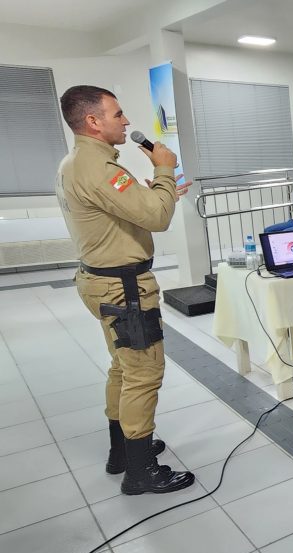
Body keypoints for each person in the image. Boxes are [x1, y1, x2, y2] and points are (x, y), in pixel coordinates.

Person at [56, 85, 194, 495]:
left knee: (122, 366)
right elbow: (156, 218)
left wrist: (154, 192)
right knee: (143, 373)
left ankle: (123, 452)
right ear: (93, 121)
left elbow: (130, 210)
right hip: (124, 290)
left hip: (100, 281)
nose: (128, 121)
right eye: (118, 114)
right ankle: (140, 471)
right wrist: (166, 172)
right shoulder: (101, 169)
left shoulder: (74, 162)